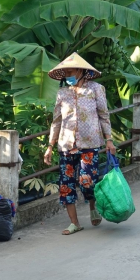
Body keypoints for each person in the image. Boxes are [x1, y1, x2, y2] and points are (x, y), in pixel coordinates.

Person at [43, 53, 116, 235]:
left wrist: (109, 140)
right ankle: (74, 223)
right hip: (66, 145)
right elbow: (57, 121)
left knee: (87, 181)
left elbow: (103, 115)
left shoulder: (95, 89)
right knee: (66, 185)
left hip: (89, 143)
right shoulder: (62, 94)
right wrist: (50, 146)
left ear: (82, 71)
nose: (68, 75)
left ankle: (93, 205)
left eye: (71, 71)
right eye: (66, 72)